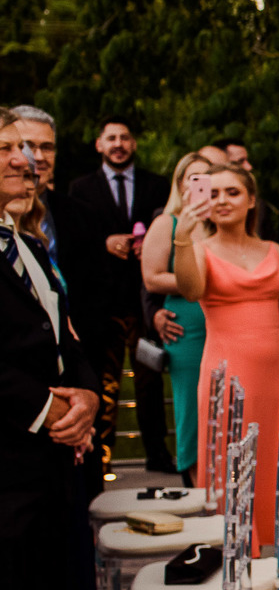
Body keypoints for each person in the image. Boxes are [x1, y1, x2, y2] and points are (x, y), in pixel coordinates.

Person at [175, 163, 279, 562]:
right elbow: (189, 290)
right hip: (227, 377)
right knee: (233, 467)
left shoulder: (273, 251)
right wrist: (182, 239)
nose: (223, 200)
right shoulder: (198, 249)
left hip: (274, 380)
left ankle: (268, 570)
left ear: (251, 200)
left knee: (273, 466)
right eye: (215, 193)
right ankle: (239, 569)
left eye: (233, 192)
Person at [0, 107, 101, 590]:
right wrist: (51, 411)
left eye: (28, 150)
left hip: (52, 476)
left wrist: (86, 395)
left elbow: (65, 335)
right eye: (7, 150)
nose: (26, 162)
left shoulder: (29, 246)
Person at [13, 106, 109, 499]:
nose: (37, 156)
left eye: (46, 146)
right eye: (26, 145)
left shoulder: (84, 216)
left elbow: (96, 306)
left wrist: (87, 393)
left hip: (79, 375)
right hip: (21, 403)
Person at [68, 115, 173, 474]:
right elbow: (74, 242)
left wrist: (153, 247)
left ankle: (158, 454)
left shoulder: (156, 186)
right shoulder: (80, 189)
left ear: (134, 144)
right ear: (99, 144)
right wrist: (104, 243)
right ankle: (101, 457)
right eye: (111, 137)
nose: (118, 143)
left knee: (149, 379)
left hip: (143, 302)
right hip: (102, 304)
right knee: (102, 383)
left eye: (125, 137)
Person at [140, 152, 214, 487]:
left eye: (206, 177)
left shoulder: (220, 223)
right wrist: (198, 281)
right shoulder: (165, 223)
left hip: (222, 323)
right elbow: (152, 278)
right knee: (191, 408)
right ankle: (196, 484)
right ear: (180, 183)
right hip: (185, 327)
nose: (199, 183)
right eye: (192, 177)